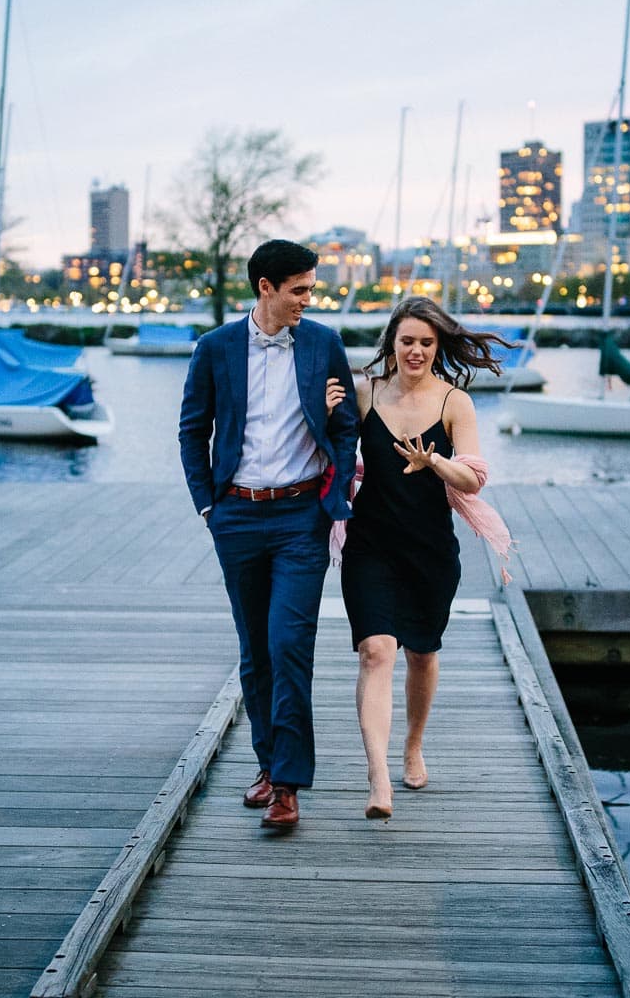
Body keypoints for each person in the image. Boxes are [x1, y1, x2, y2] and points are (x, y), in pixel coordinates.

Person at [178, 239, 358, 831]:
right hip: (236, 517)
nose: (309, 299)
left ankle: (287, 786)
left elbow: (347, 424)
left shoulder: (324, 343)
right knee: (255, 652)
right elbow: (191, 430)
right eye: (299, 290)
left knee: (288, 646)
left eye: (311, 289)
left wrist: (334, 498)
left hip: (301, 519)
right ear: (266, 288)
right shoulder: (215, 349)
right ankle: (266, 764)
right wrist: (208, 506)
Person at [337, 296, 513, 820]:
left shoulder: (454, 402)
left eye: (426, 343)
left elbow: (475, 477)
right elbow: (332, 447)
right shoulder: (365, 393)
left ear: (439, 347)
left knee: (422, 652)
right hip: (368, 544)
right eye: (407, 340)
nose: (415, 351)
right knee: (375, 651)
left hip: (429, 551)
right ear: (392, 341)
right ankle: (379, 778)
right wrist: (330, 410)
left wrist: (433, 459)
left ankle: (413, 746)